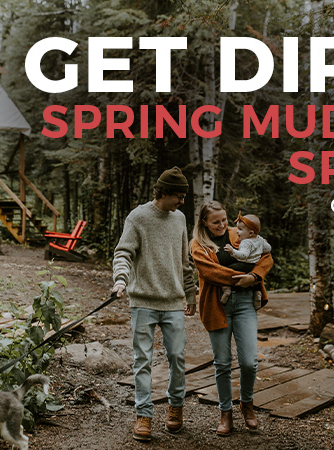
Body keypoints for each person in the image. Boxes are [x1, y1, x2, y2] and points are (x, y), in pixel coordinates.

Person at [111, 166, 197, 442]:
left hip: (173, 302)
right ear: (164, 193)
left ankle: (175, 407)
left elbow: (184, 261)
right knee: (143, 361)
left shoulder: (179, 218)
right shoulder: (138, 217)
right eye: (179, 196)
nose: (182, 202)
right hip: (143, 301)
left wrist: (190, 293)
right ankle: (144, 415)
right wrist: (120, 279)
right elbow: (123, 253)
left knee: (177, 358)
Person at [190, 200, 273, 437]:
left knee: (249, 362)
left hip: (246, 302)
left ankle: (247, 404)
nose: (222, 225)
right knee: (222, 363)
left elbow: (266, 257)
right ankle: (225, 412)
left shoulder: (240, 233)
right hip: (217, 304)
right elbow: (210, 272)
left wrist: (254, 277)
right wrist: (243, 276)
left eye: (224, 220)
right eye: (215, 222)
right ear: (204, 222)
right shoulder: (198, 245)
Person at [220, 212, 272, 310]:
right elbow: (268, 249)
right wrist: (265, 243)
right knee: (255, 281)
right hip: (254, 265)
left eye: (240, 229)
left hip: (244, 264)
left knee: (227, 270)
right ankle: (257, 293)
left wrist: (232, 251)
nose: (237, 231)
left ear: (251, 233)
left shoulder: (246, 242)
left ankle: (226, 289)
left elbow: (243, 255)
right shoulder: (260, 239)